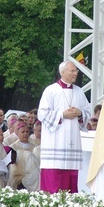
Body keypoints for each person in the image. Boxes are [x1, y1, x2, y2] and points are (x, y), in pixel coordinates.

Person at [37, 61, 91, 193]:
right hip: (55, 144)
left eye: (76, 71)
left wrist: (80, 113)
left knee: (70, 184)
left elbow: (88, 112)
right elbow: (41, 113)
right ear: (62, 72)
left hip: (72, 145)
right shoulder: (51, 90)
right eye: (72, 71)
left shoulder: (79, 92)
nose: (75, 73)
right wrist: (62, 115)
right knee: (54, 182)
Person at [8, 121, 40, 191]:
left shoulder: (35, 147)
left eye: (27, 132)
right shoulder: (13, 147)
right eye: (23, 132)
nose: (25, 134)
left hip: (33, 177)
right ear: (18, 133)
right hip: (19, 178)